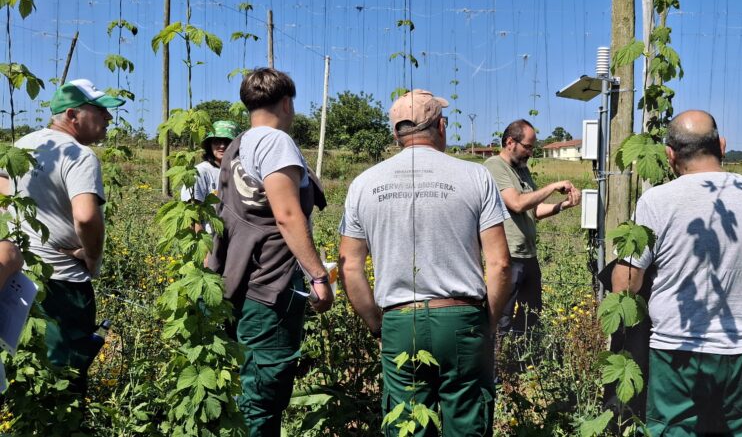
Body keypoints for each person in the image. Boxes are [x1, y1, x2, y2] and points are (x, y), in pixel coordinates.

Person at [338, 89, 512, 437]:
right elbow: (501, 264)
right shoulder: (476, 176)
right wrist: (486, 323)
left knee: (407, 423)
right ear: (441, 127)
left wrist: (378, 327)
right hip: (462, 318)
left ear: (395, 134)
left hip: (400, 322)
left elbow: (350, 267)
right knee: (466, 422)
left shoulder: (364, 184)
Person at [611, 110, 742, 436]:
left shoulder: (657, 200)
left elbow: (627, 283)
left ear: (670, 155)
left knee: (674, 430)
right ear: (722, 145)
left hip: (677, 352)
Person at [207, 68, 334, 437]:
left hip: (241, 281)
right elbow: (287, 214)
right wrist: (318, 275)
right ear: (286, 102)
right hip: (271, 286)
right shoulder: (277, 142)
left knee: (250, 386)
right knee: (264, 393)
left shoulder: (236, 146)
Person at [0, 79, 124, 395]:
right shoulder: (79, 155)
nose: (108, 118)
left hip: (19, 279)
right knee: (64, 377)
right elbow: (85, 216)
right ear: (72, 114)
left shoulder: (22, 145)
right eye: (100, 110)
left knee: (25, 366)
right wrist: (92, 257)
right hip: (63, 285)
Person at [484, 119, 580, 337]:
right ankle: (500, 363)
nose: (530, 152)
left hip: (528, 255)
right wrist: (553, 186)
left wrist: (564, 205)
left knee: (531, 315)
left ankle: (522, 362)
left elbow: (534, 210)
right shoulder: (495, 167)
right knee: (503, 319)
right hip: (508, 256)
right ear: (510, 142)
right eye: (527, 146)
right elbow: (517, 203)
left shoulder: (522, 170)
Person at [182, 120, 240, 233]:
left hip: (234, 236)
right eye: (217, 141)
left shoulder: (239, 170)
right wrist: (205, 247)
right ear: (210, 144)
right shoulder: (201, 171)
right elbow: (193, 214)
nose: (222, 146)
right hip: (211, 236)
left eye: (228, 141)